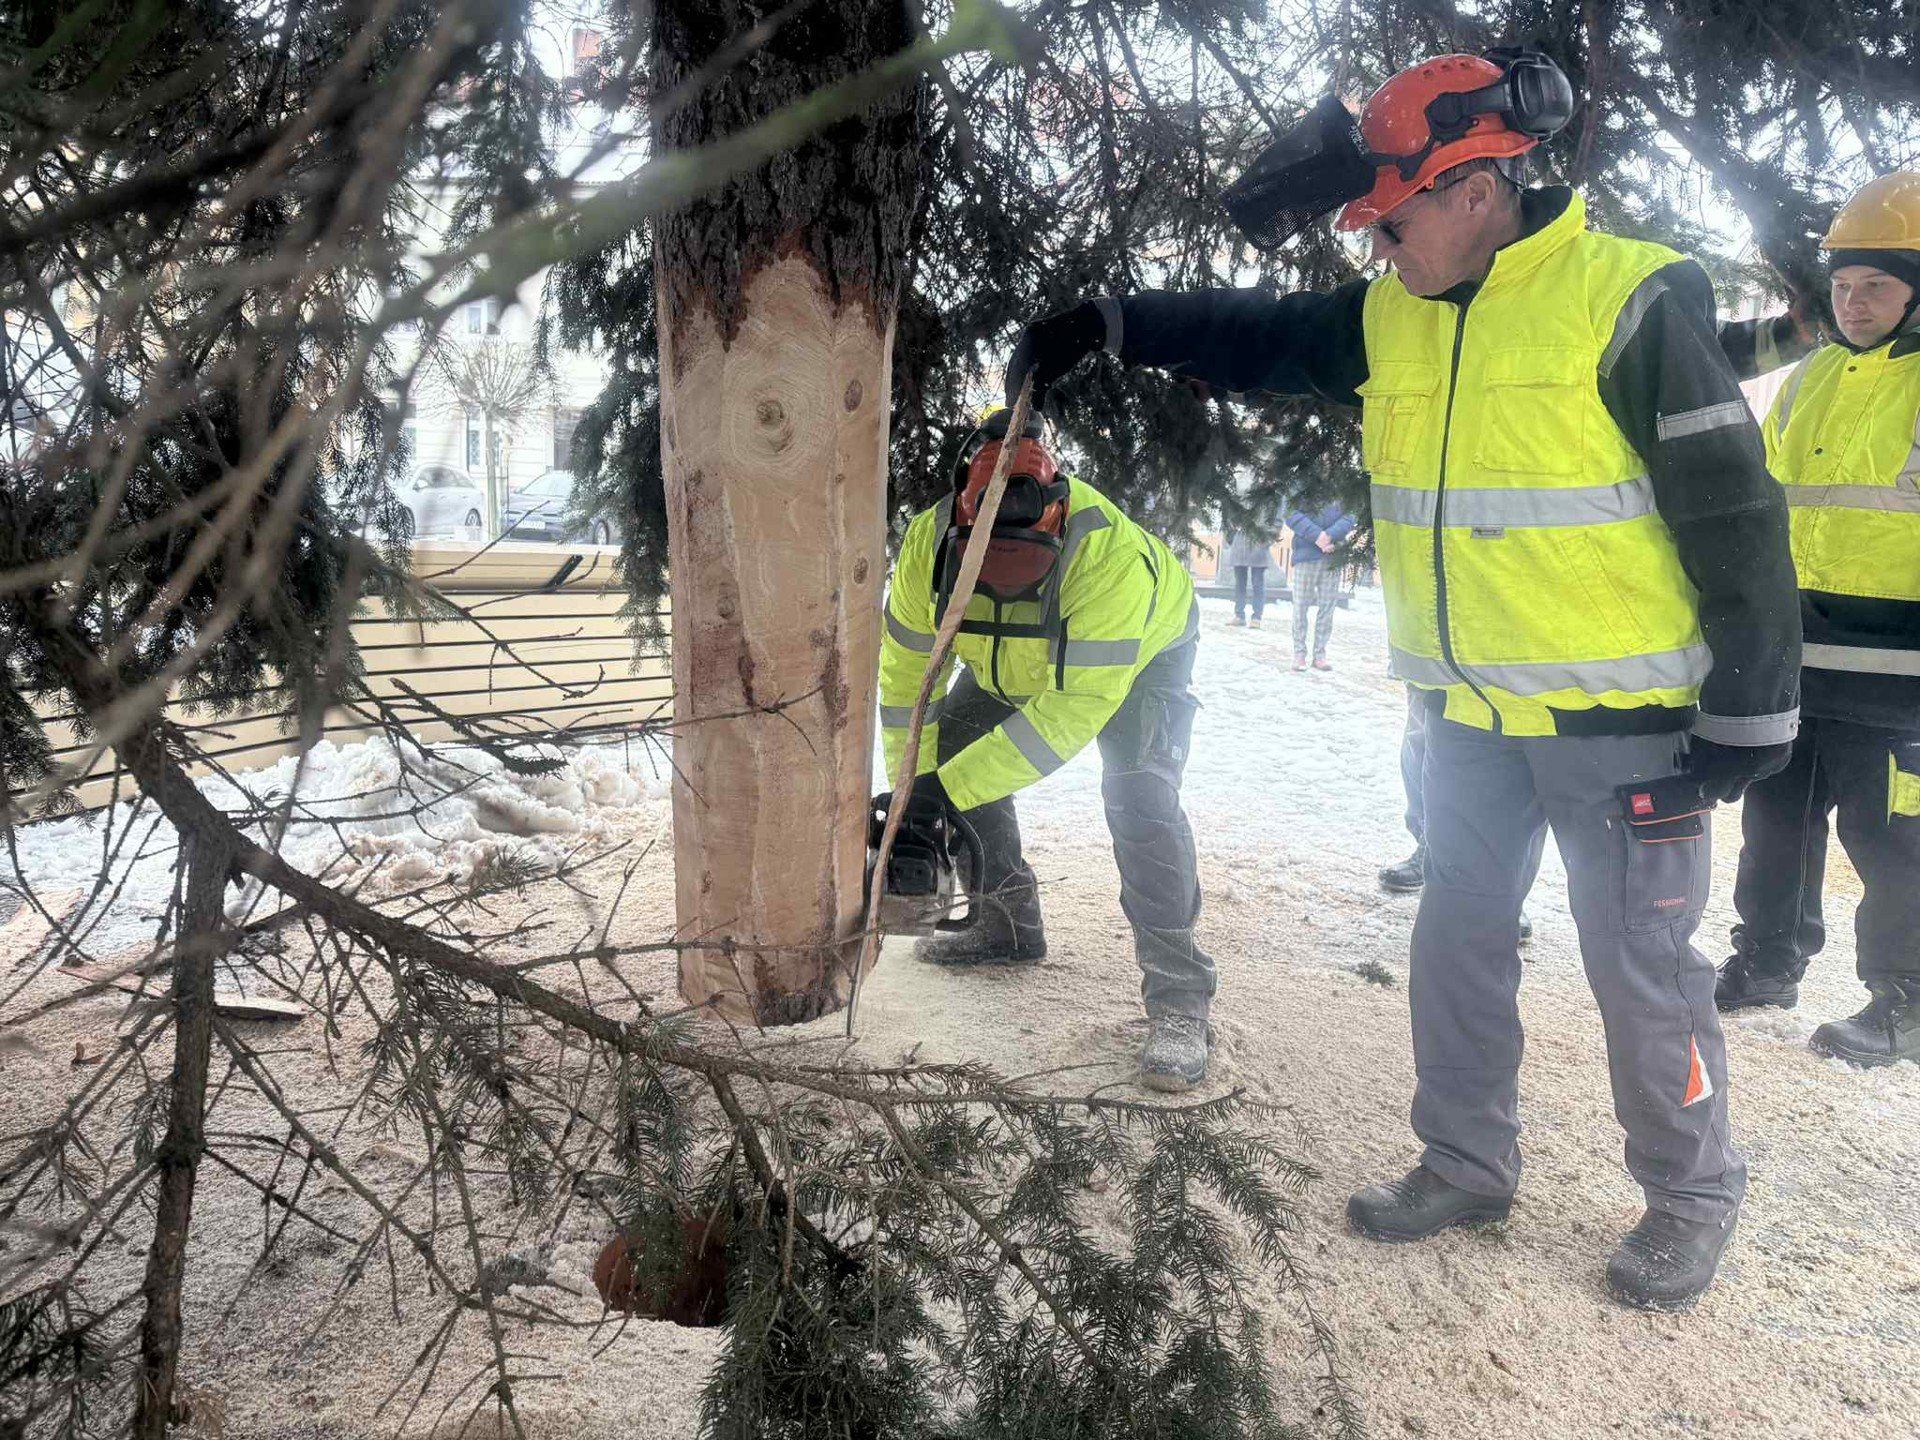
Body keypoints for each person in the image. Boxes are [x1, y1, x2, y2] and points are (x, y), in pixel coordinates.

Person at [1005, 48, 1802, 1310]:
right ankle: (1467, 1163)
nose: (1381, 248)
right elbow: (1254, 336)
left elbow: (1736, 511)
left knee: (1644, 967)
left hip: (1627, 726)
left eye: (1397, 220)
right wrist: (1111, 325)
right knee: (1459, 942)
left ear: (1478, 190)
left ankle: (1691, 1194)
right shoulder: (1394, 316)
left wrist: (1752, 710)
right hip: (1465, 719)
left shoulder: (1630, 299)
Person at [876, 409, 1215, 1092]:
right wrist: (913, 794)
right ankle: (1005, 925)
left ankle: (1181, 1002)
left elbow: (1072, 712)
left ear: (1055, 513)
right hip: (1008, 663)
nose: (1004, 575)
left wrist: (946, 793)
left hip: (1136, 661)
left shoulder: (1107, 556)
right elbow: (906, 686)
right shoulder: (927, 547)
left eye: (1021, 557)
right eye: (987, 560)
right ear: (961, 520)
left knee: (1140, 797)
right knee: (956, 750)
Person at [1713, 172, 1920, 1067]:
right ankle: (1767, 961)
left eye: (1876, 284)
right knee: (1777, 819)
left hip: (1904, 671)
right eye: (1842, 285)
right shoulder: (1815, 374)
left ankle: (1904, 1002)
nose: (1854, 302)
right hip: (1798, 649)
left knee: (1895, 840)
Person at [1285, 505, 1356, 670]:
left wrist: (1330, 535)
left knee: (1327, 607)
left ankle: (1320, 654)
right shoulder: (1299, 480)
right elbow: (1290, 512)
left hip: (1333, 555)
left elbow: (1351, 514)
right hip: (1305, 554)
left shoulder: (1342, 482)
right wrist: (1317, 536)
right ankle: (1299, 653)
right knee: (1300, 606)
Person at [1222, 529, 1271, 626]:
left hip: (1259, 545)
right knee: (1239, 584)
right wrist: (1231, 537)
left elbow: (1276, 520)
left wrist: (1267, 539)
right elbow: (1228, 518)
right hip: (1239, 546)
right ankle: (1239, 615)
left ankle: (1257, 617)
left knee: (1258, 584)